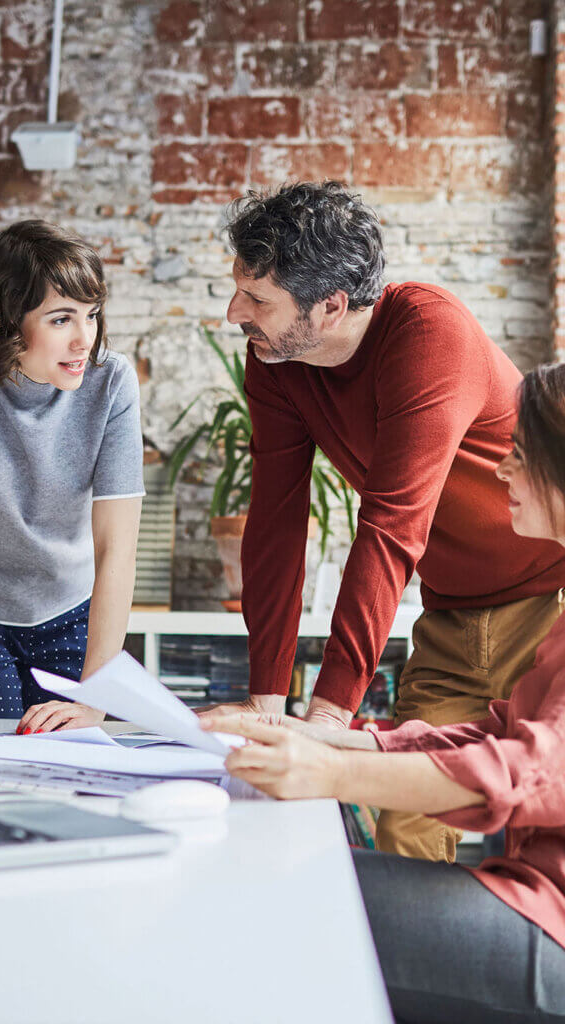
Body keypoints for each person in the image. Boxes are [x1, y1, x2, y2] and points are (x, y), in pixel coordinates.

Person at [199, 180, 565, 863]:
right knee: (406, 830)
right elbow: (278, 522)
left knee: (539, 820)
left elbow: (392, 525)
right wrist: (267, 701)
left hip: (551, 602)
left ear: (331, 306)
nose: (233, 312)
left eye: (258, 300)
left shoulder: (428, 332)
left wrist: (330, 715)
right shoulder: (276, 360)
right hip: (453, 617)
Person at [202, 361, 565, 1024]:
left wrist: (332, 771)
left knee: (286, 889)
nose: (500, 471)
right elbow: (492, 737)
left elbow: (525, 771)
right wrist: (335, 738)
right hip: (530, 896)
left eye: (520, 453)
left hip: (554, 931)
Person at [0, 220, 144, 733]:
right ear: (3, 321)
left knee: (78, 748)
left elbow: (116, 548)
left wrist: (97, 697)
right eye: (61, 319)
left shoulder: (111, 381)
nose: (84, 339)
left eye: (92, 315)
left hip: (73, 612)